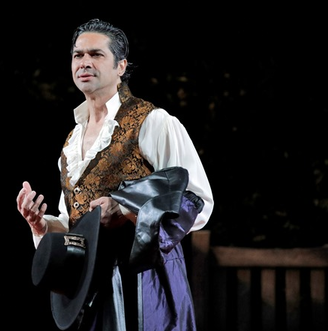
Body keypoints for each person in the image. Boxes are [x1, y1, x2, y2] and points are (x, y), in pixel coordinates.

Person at [16, 18, 214, 331]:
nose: (84, 62)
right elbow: (74, 228)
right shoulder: (71, 145)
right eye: (77, 55)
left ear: (121, 66)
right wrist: (42, 226)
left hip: (146, 286)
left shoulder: (152, 122)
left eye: (96, 54)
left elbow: (196, 199)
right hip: (92, 289)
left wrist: (124, 207)